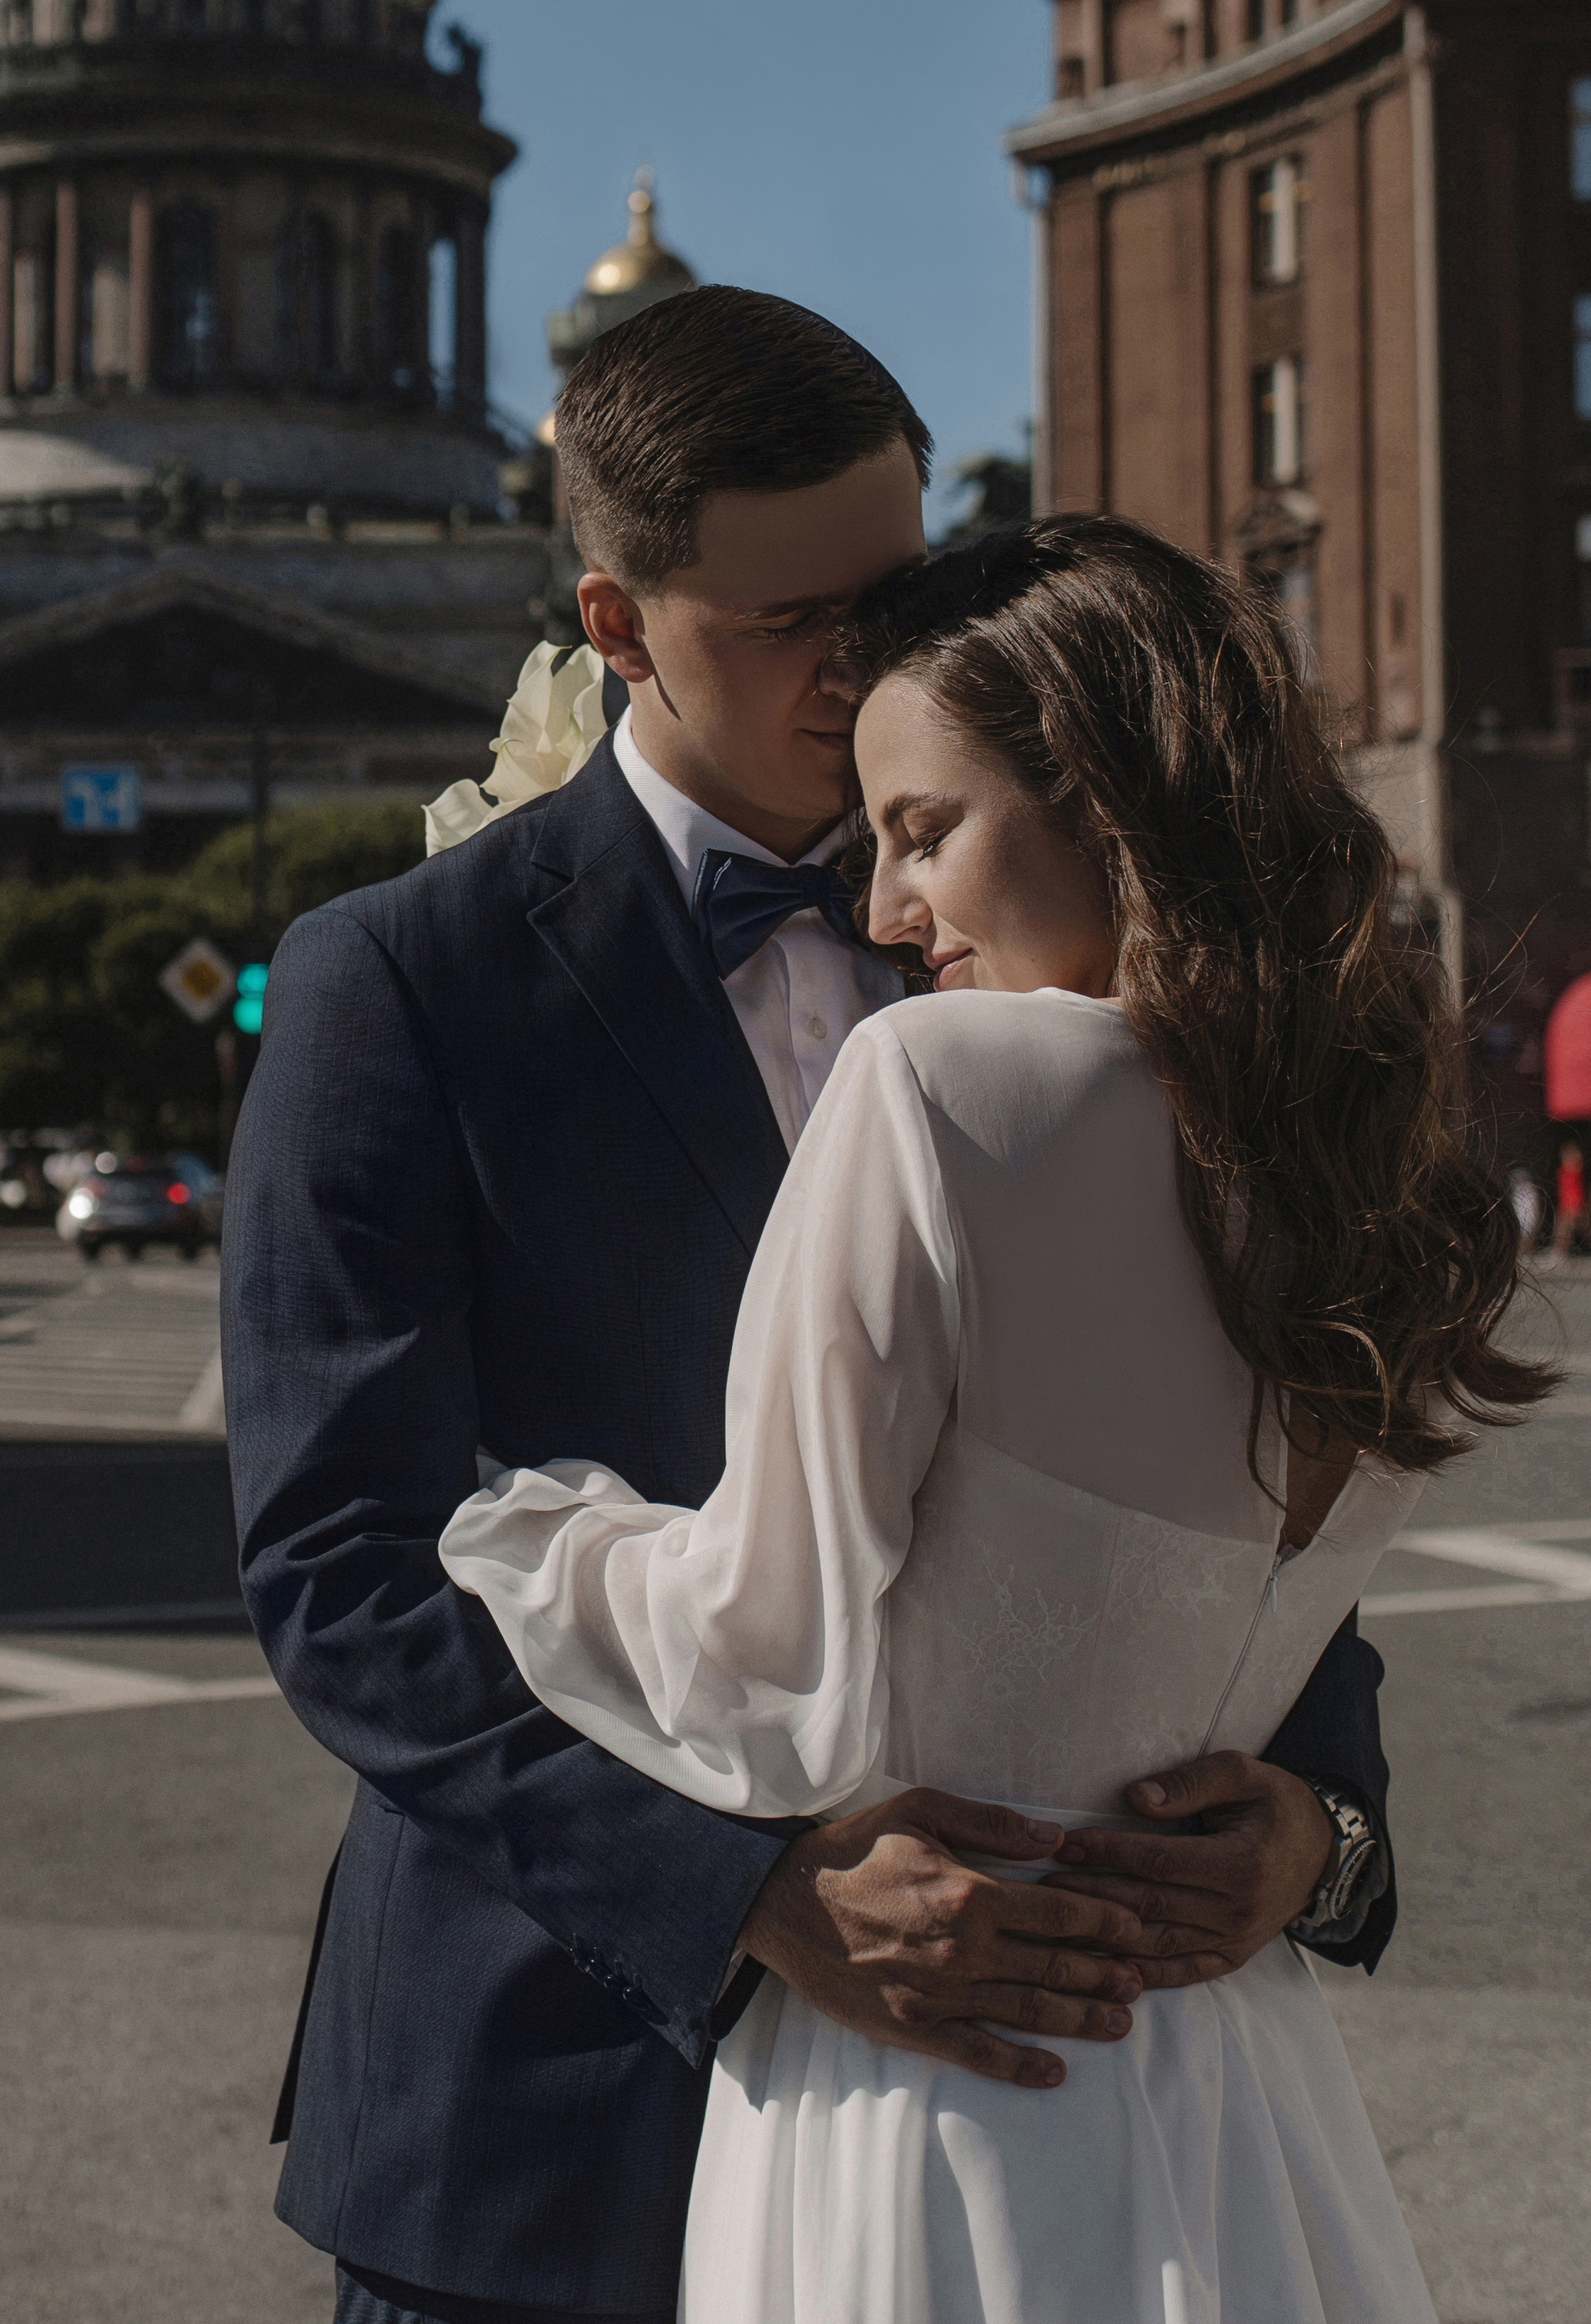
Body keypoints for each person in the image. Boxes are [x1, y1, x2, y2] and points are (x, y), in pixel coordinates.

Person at [221, 296, 1401, 2324]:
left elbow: (1236, 1454)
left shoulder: (1071, 927)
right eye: (795, 624)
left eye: (904, 590)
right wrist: (754, 1901)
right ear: (616, 622)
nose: (869, 666)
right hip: (540, 2108)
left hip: (1034, 2127)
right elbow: (343, 1563)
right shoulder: (397, 983)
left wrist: (1325, 1829)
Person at [442, 516, 1548, 2324]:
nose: (883, 914)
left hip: (943, 2073)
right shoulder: (1389, 1169)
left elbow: (754, 1669)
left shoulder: (940, 1088)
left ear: (1109, 798)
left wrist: (532, 1530)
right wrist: (1317, 1839)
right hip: (1232, 2079)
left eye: (921, 830)